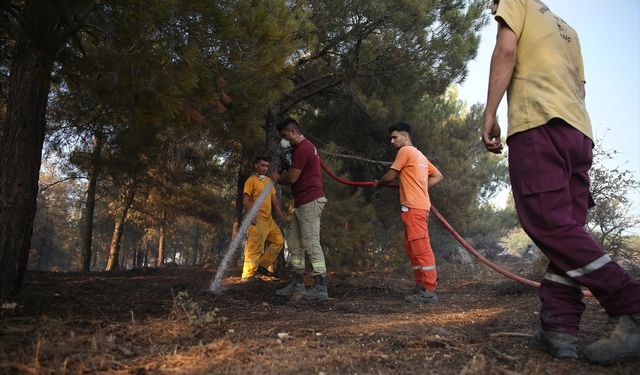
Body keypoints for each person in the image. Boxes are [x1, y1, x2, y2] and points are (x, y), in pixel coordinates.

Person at [484, 0, 640, 363]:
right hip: (578, 132)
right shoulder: (568, 29)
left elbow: (506, 50)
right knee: (568, 234)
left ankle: (631, 305)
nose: (492, 9)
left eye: (490, 4)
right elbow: (580, 88)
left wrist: (490, 114)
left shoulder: (515, 1)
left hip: (539, 123)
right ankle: (559, 330)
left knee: (550, 226)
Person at [375, 122, 443, 304]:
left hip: (415, 207)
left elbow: (390, 176)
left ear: (405, 137)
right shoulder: (420, 155)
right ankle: (421, 285)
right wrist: (422, 189)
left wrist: (378, 183)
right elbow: (438, 176)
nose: (392, 141)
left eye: (395, 137)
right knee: (411, 245)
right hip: (415, 206)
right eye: (391, 138)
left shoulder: (405, 151)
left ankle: (429, 290)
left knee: (420, 246)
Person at [271, 118, 329, 300]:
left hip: (310, 201)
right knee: (295, 243)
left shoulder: (304, 148)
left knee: (311, 242)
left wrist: (277, 179)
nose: (283, 140)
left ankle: (321, 285)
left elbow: (293, 177)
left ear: (293, 132)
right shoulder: (298, 150)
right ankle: (298, 283)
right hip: (301, 202)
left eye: (284, 136)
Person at [240, 156, 284, 282]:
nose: (265, 168)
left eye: (267, 166)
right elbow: (246, 200)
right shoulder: (251, 180)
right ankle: (247, 276)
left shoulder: (269, 181)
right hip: (257, 219)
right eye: (262, 165)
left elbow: (274, 199)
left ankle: (262, 266)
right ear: (256, 166)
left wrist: (279, 213)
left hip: (269, 220)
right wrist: (251, 215)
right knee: (254, 248)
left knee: (279, 241)